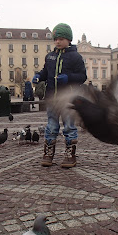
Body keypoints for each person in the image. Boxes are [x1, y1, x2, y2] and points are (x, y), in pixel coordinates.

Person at [32, 23, 87, 168]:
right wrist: (39, 76)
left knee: (69, 126)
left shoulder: (75, 57)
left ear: (68, 39)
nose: (57, 41)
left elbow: (82, 76)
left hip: (68, 99)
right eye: (56, 39)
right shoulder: (50, 56)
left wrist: (68, 77)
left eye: (61, 39)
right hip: (52, 98)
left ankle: (70, 155)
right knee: (51, 126)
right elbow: (46, 71)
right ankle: (48, 154)